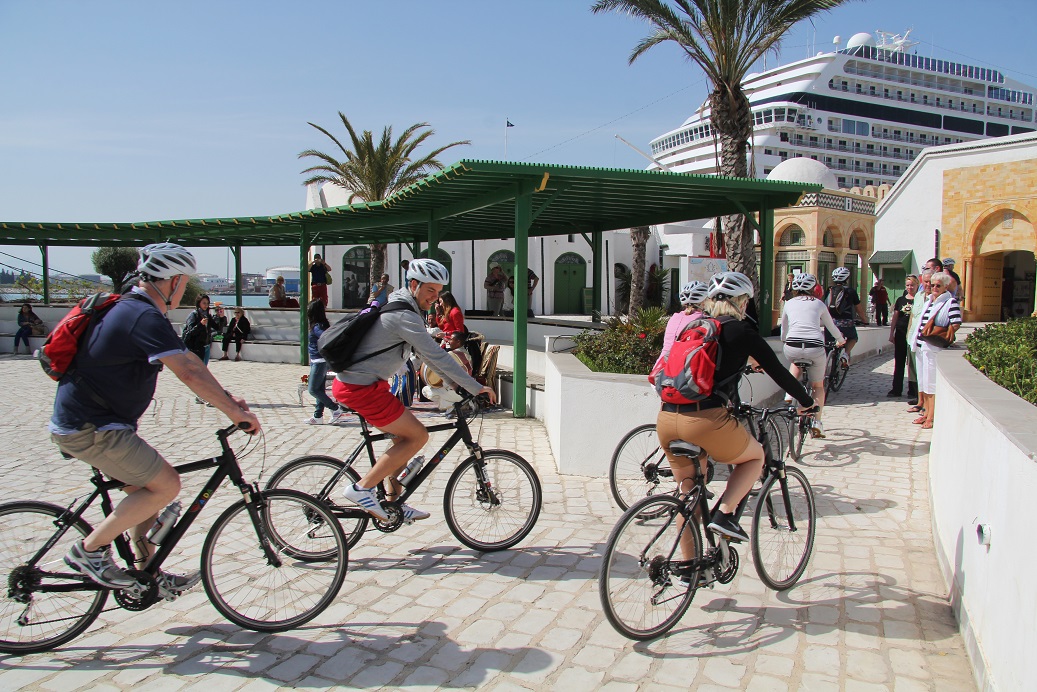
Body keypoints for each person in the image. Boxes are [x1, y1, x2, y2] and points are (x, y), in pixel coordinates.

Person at [50, 243, 260, 596]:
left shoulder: (131, 308)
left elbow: (189, 364)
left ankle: (145, 574)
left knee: (149, 495)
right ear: (174, 281)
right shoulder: (142, 314)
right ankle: (88, 552)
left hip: (93, 424)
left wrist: (227, 399)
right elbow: (189, 371)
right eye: (185, 282)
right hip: (93, 428)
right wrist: (235, 413)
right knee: (167, 485)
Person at [656, 271, 815, 545]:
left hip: (667, 417)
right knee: (755, 458)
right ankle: (725, 514)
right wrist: (807, 402)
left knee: (688, 495)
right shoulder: (742, 331)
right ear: (741, 302)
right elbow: (780, 372)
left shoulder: (693, 327)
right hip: (705, 419)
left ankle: (689, 570)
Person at [332, 259, 496, 523]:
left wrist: (455, 384)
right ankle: (360, 489)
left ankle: (392, 503)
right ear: (413, 284)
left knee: (402, 441)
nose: (435, 297)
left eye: (439, 291)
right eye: (430, 290)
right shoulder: (404, 315)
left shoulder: (405, 306)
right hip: (360, 388)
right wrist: (476, 387)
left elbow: (428, 357)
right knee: (417, 437)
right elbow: (436, 356)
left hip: (367, 385)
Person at [780, 273, 845, 438]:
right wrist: (840, 340)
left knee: (795, 360)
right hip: (814, 347)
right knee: (817, 386)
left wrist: (785, 340)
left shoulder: (788, 303)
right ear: (812, 288)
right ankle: (817, 422)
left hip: (792, 345)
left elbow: (784, 330)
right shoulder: (819, 304)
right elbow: (831, 326)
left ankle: (789, 392)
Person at [914, 272, 962, 429]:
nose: (934, 287)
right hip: (923, 346)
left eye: (938, 285)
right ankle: (926, 412)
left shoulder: (950, 302)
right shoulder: (930, 300)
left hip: (934, 346)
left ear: (945, 287)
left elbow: (956, 322)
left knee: (931, 383)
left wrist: (943, 333)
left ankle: (931, 417)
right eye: (932, 284)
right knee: (924, 382)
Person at [304, 299, 348, 425]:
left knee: (312, 389)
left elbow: (327, 337)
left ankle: (335, 409)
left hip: (319, 362)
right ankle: (318, 416)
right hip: (317, 361)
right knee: (320, 390)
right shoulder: (320, 324)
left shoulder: (318, 326)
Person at [823, 267, 868, 365]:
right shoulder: (851, 291)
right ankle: (845, 354)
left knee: (828, 345)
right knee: (853, 338)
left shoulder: (829, 290)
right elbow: (858, 308)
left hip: (830, 322)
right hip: (846, 323)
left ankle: (825, 366)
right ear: (847, 278)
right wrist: (864, 320)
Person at [658, 281, 709, 359]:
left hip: (660, 365)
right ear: (703, 302)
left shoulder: (674, 317)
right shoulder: (702, 320)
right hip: (681, 366)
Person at [905, 269, 933, 408]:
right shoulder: (918, 296)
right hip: (913, 338)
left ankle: (925, 404)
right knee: (916, 371)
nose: (928, 284)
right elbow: (913, 317)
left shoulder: (935, 298)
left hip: (927, 341)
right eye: (926, 281)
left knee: (925, 373)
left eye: (930, 282)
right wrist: (908, 335)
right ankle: (919, 400)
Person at [887, 275, 918, 398]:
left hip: (913, 335)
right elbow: (895, 317)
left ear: (917, 285)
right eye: (908, 285)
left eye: (912, 285)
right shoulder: (901, 300)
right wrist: (891, 333)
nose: (910, 287)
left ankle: (913, 390)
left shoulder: (920, 300)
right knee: (899, 362)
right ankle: (896, 389)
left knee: (912, 363)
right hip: (900, 333)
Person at [182, 294, 214, 366]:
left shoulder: (208, 315)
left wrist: (221, 318)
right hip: (196, 346)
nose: (206, 305)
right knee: (198, 369)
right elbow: (191, 332)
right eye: (204, 303)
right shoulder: (194, 315)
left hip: (206, 345)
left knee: (204, 368)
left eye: (207, 303)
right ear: (199, 303)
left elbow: (217, 327)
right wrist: (200, 324)